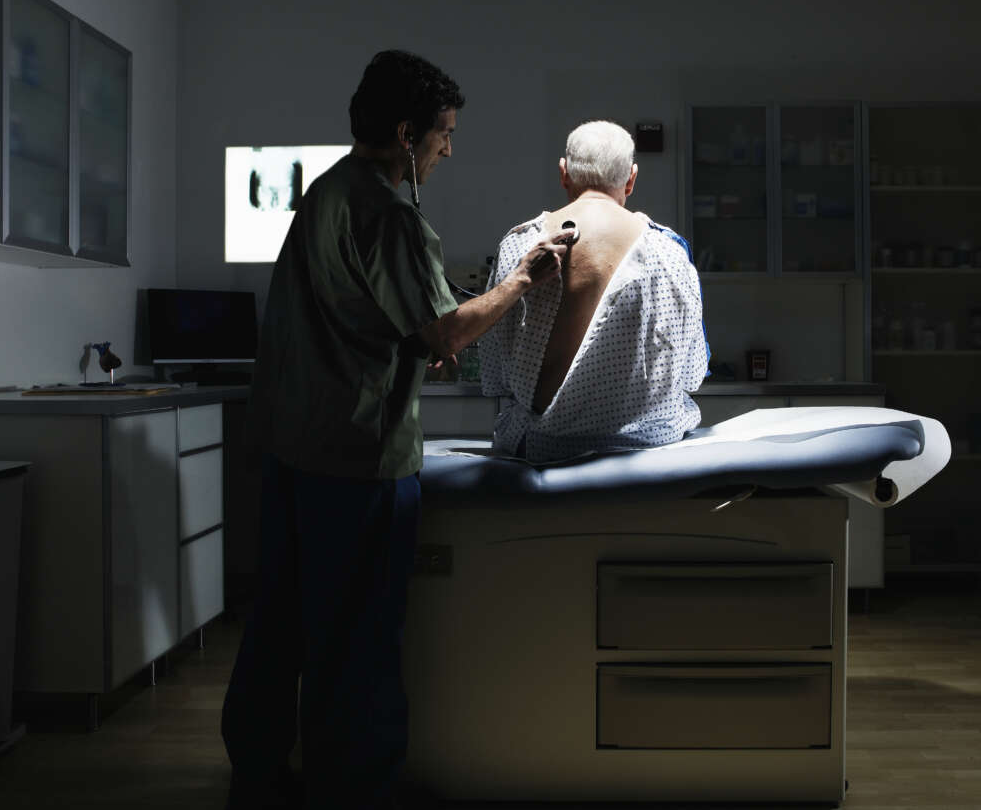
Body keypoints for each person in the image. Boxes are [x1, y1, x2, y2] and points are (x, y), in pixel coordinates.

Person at [222, 50, 569, 810]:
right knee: (356, 646)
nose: (450, 147)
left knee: (278, 624)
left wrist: (410, 338)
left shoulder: (325, 195)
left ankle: (257, 776)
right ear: (407, 133)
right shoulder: (392, 215)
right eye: (445, 132)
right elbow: (445, 333)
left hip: (288, 454)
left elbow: (350, 315)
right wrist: (520, 281)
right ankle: (353, 791)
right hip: (356, 464)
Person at [480, 120, 709, 463]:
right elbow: (693, 374)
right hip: (648, 449)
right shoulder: (669, 251)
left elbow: (495, 373)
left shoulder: (521, 246)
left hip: (543, 450)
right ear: (631, 178)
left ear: (564, 173)